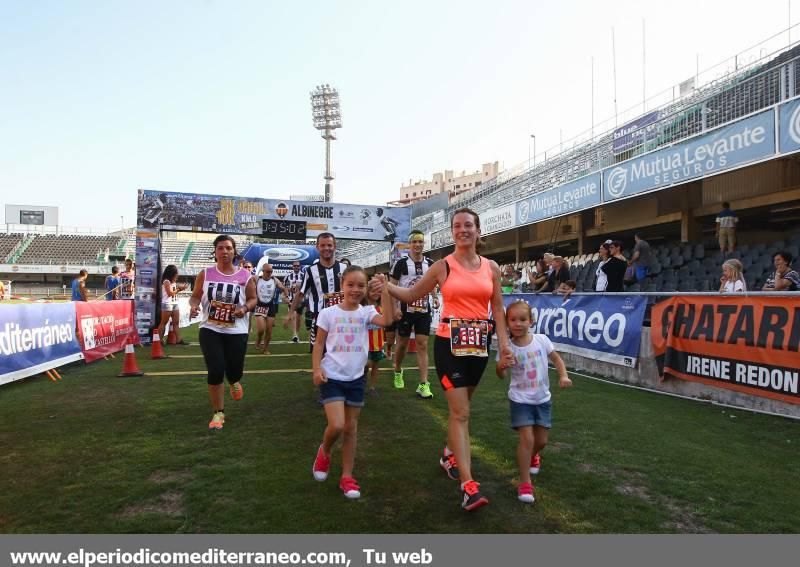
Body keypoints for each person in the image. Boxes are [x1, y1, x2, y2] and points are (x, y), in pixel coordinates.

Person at [381, 207, 512, 511]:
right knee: (461, 413)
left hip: (478, 346)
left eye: (468, 225)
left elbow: (498, 308)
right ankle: (468, 486)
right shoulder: (443, 266)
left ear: (478, 231)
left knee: (461, 412)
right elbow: (412, 295)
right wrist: (387, 286)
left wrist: (504, 345)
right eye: (457, 226)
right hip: (448, 345)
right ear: (452, 232)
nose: (462, 230)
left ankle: (447, 455)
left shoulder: (491, 267)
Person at [311, 268, 393, 499]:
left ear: (366, 288)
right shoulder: (328, 313)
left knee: (350, 428)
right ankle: (324, 451)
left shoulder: (366, 312)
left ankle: (347, 476)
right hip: (332, 376)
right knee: (336, 425)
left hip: (356, 378)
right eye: (351, 285)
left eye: (361, 286)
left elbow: (387, 320)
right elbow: (319, 344)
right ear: (342, 284)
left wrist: (386, 289)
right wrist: (317, 369)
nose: (356, 290)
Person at [495, 300, 572, 504]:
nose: (518, 323)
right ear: (507, 323)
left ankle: (533, 456)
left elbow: (556, 359)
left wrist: (563, 376)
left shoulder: (542, 340)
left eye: (522, 319)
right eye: (512, 320)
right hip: (520, 400)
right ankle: (525, 483)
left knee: (541, 442)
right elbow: (500, 375)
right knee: (527, 440)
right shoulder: (507, 348)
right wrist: (501, 366)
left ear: (531, 321)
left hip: (542, 398)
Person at [189, 235, 257, 430]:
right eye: (220, 248)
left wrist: (244, 309)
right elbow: (195, 297)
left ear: (234, 251)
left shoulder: (245, 275)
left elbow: (253, 299)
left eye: (228, 248)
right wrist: (194, 307)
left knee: (234, 370)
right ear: (215, 251)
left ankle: (234, 380)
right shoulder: (206, 273)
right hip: (210, 328)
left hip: (237, 329)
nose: (225, 252)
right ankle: (218, 413)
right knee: (216, 369)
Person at [389, 230, 439, 399]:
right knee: (402, 344)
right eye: (415, 242)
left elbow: (431, 283)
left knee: (422, 344)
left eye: (420, 242)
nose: (418, 245)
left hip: (423, 310)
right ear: (409, 244)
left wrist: (434, 296)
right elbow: (392, 287)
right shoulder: (401, 264)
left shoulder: (430, 264)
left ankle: (423, 384)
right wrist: (395, 307)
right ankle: (397, 370)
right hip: (405, 310)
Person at [291, 233, 348, 353]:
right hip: (319, 319)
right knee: (319, 354)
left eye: (329, 245)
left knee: (341, 355)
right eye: (323, 245)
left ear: (335, 246)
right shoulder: (311, 271)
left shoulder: (344, 269)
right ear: (317, 247)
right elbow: (301, 293)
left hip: (341, 319)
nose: (326, 248)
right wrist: (290, 312)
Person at [254, 263, 288, 354]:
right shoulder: (257, 279)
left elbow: (283, 288)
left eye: (271, 271)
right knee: (261, 329)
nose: (269, 273)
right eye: (268, 271)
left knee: (269, 330)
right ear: (263, 271)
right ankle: (258, 338)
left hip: (270, 306)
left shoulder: (274, 280)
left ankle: (265, 349)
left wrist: (286, 294)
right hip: (260, 305)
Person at [158, 264, 189, 344]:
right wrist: (179, 289)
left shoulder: (173, 282)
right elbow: (170, 293)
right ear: (171, 273)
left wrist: (180, 289)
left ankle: (179, 339)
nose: (177, 275)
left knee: (176, 322)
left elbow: (174, 292)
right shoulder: (166, 281)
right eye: (176, 273)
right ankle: (159, 340)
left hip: (174, 303)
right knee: (163, 323)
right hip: (167, 304)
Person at [366, 278, 386, 396]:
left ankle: (372, 387)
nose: (376, 294)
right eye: (373, 291)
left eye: (378, 291)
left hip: (378, 343)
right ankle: (361, 383)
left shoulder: (382, 308)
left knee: (375, 366)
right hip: (365, 344)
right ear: (367, 291)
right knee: (365, 365)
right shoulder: (363, 307)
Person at [283, 261, 306, 343]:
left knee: (299, 318)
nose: (296, 267)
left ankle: (297, 334)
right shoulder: (288, 276)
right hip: (291, 299)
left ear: (300, 267)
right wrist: (286, 296)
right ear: (292, 267)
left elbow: (306, 287)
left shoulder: (304, 276)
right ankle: (295, 334)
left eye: (298, 266)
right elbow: (284, 288)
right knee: (294, 316)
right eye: (294, 266)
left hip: (301, 300)